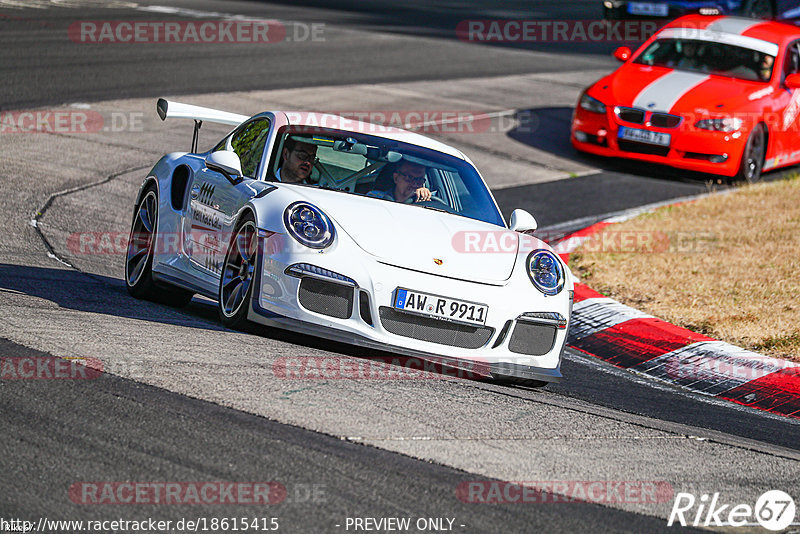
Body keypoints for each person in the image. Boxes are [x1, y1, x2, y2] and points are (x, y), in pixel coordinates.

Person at [367, 160, 432, 203]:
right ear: (396, 178)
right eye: (409, 178)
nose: (415, 184)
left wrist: (424, 198)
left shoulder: (425, 203)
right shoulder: (375, 197)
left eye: (420, 180)